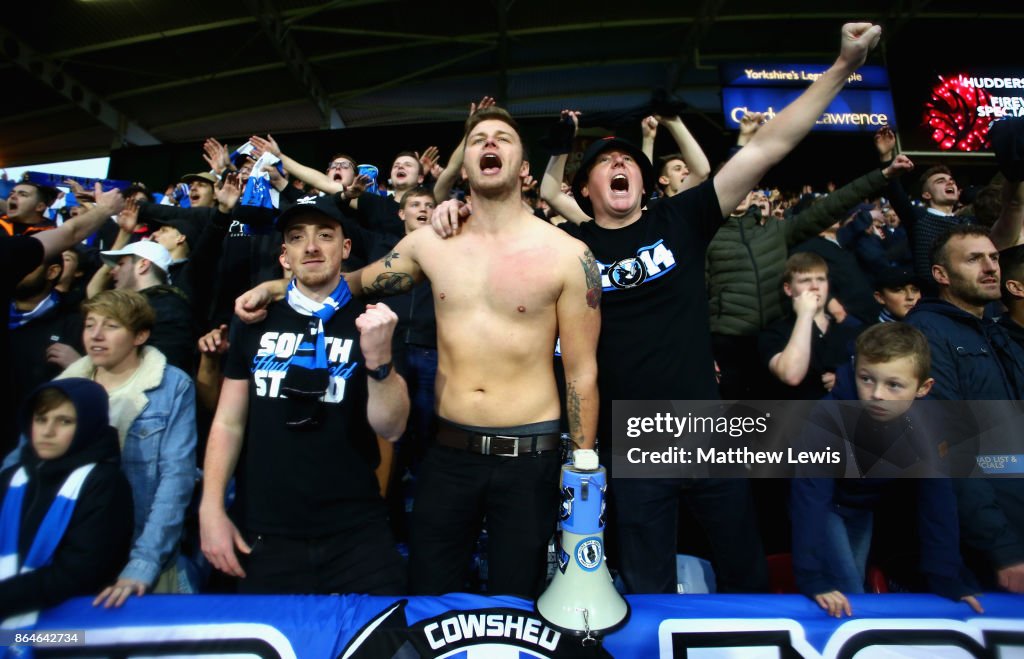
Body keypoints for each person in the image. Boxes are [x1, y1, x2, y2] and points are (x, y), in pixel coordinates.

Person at [467, 21, 882, 595]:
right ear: (585, 190)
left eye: (630, 161)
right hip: (628, 439)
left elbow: (768, 145)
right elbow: (500, 217)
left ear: (643, 181)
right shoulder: (572, 247)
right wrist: (449, 209)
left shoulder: (682, 218)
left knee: (745, 574)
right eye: (605, 163)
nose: (621, 165)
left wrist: (841, 67)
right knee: (647, 584)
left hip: (702, 426)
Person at [238, 106, 600, 599]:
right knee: (429, 596)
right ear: (463, 165)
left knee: (518, 604)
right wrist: (276, 287)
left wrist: (582, 470)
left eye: (503, 139)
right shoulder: (431, 243)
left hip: (529, 458)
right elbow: (354, 282)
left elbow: (581, 373)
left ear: (523, 168)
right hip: (448, 452)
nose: (489, 144)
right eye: (477, 140)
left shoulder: (568, 254)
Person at [200, 200, 410, 595]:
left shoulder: (374, 321)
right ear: (285, 256)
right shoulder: (253, 320)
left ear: (345, 248)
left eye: (325, 236)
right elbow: (228, 422)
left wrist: (379, 360)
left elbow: (392, 427)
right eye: (297, 238)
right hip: (263, 530)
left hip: (355, 532)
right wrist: (211, 507)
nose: (311, 247)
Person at [790, 323, 983, 618]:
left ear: (923, 388)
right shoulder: (828, 417)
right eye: (866, 379)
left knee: (855, 592)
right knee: (845, 591)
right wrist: (812, 577)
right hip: (825, 507)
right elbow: (809, 499)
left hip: (863, 509)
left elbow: (938, 502)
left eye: (893, 385)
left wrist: (947, 578)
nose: (876, 394)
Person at [48, 289, 198, 607]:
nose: (97, 336)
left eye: (112, 326)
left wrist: (143, 563)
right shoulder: (60, 389)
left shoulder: (172, 386)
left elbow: (175, 480)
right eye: (90, 325)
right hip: (66, 561)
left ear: (140, 335)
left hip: (141, 560)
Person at [1, 184, 125, 453]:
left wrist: (79, 366)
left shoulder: (71, 322)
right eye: (12, 193)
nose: (12, 198)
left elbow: (70, 234)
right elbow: (70, 232)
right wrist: (104, 208)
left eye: (23, 194)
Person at [0, 379, 133, 621]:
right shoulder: (12, 477)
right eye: (41, 419)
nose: (47, 431)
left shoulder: (105, 484)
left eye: (64, 421)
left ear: (88, 425)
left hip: (67, 633)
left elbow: (77, 574)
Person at [759, 253, 862, 399]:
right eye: (805, 280)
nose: (815, 286)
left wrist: (845, 380)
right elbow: (791, 375)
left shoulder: (847, 329)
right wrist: (805, 315)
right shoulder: (774, 333)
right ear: (788, 289)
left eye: (821, 279)